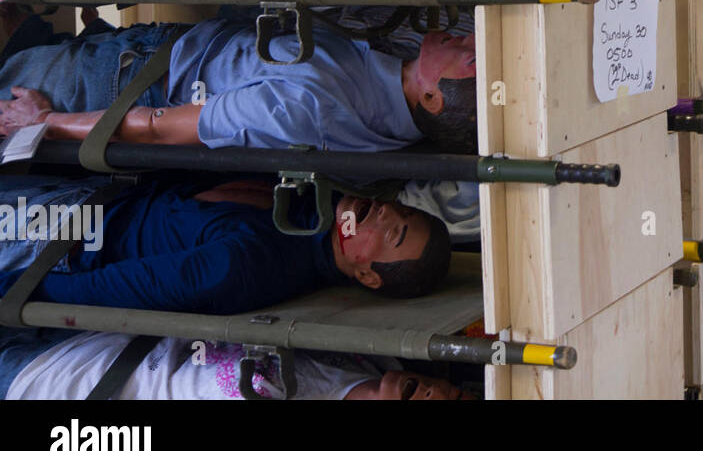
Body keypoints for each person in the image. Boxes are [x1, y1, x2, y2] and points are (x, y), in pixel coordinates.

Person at [0, 20, 477, 154]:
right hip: (155, 50)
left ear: (433, 97)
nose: (469, 40)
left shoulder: (306, 107)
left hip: (123, 83)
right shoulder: (401, 69)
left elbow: (153, 130)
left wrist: (45, 124)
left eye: (471, 58)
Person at [0, 174, 450, 313]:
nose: (387, 213)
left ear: (367, 274)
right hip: (81, 196)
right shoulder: (315, 199)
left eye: (395, 233)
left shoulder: (252, 265)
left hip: (59, 244)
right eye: (402, 210)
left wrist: (18, 288)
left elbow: (115, 289)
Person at [0, 327, 468, 400]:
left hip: (55, 383)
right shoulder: (371, 350)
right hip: (92, 328)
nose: (437, 395)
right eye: (459, 395)